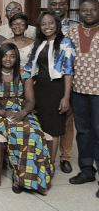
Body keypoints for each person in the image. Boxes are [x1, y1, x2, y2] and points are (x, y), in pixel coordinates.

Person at [0, 43, 53, 195]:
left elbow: (30, 101)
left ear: (17, 58)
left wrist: (23, 114)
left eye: (12, 56)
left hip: (22, 111)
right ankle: (19, 178)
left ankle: (40, 180)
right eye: (5, 55)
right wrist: (3, 114)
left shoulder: (25, 75)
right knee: (17, 132)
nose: (8, 59)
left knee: (36, 133)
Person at [25, 11, 74, 166]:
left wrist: (66, 97)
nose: (47, 27)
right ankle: (40, 161)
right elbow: (29, 67)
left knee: (54, 128)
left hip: (57, 89)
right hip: (39, 88)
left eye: (51, 23)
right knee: (40, 125)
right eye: (43, 24)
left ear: (57, 24)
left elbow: (68, 71)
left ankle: (50, 164)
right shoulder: (38, 43)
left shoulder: (66, 43)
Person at [65, 0, 99, 195]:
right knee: (83, 132)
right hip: (78, 90)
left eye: (93, 10)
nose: (88, 13)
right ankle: (87, 170)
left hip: (98, 92)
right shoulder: (72, 32)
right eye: (84, 10)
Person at [49, 0, 80, 173]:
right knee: (50, 120)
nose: (58, 7)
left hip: (70, 80)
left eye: (61, 4)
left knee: (68, 121)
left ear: (66, 6)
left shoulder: (75, 28)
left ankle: (65, 157)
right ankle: (48, 155)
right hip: (49, 82)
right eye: (54, 4)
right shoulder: (45, 24)